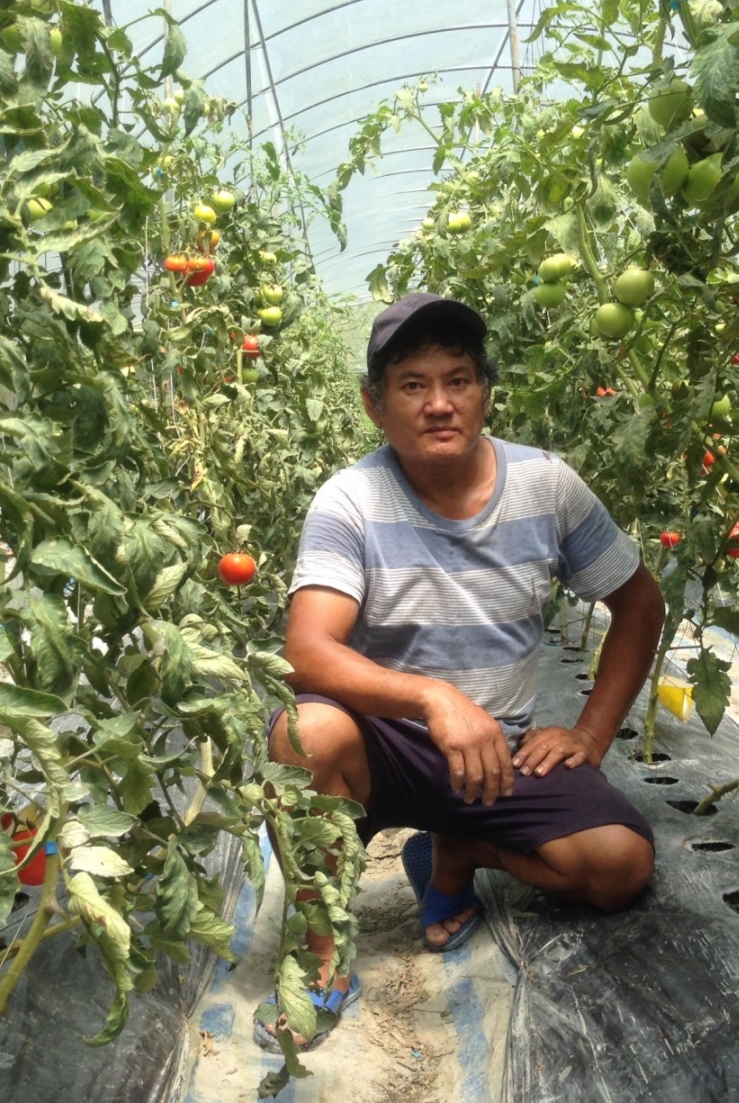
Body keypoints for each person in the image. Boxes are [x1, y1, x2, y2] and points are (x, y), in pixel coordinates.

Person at [254, 292, 665, 1053]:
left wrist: (590, 732)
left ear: (484, 391)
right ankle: (320, 960)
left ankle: (461, 848)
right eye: (412, 385)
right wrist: (432, 696)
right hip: (389, 745)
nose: (439, 404)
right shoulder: (351, 499)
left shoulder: (546, 486)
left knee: (618, 869)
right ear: (374, 405)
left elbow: (639, 604)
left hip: (498, 754)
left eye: (459, 380)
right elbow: (307, 650)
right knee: (303, 731)